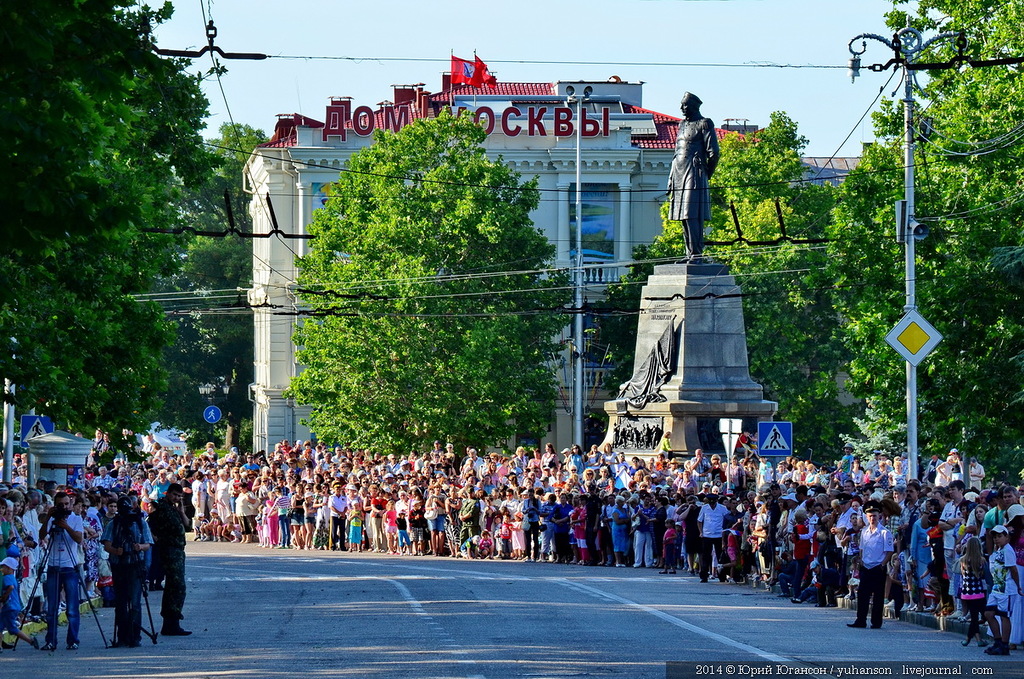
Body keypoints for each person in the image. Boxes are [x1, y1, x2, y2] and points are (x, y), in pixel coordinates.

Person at [667, 92, 719, 259]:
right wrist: (670, 178)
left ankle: (696, 253)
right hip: (678, 172)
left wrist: (705, 174)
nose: (682, 108)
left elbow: (714, 153)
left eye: (685, 105)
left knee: (691, 213)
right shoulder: (681, 124)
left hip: (694, 172)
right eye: (682, 105)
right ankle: (689, 252)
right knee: (682, 215)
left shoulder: (704, 123)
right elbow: (676, 153)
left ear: (695, 106)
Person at [101, 495, 153, 647]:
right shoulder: (114, 523)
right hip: (119, 566)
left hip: (136, 564)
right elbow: (106, 544)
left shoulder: (140, 522)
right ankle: (122, 635)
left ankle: (135, 635)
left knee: (135, 602)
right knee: (121, 602)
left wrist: (140, 547)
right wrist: (116, 551)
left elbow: (148, 543)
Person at [41, 490, 84, 651]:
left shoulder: (76, 518)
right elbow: (42, 534)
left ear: (71, 504)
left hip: (70, 567)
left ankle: (73, 640)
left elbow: (79, 539)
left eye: (67, 504)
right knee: (52, 607)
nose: (64, 507)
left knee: (72, 608)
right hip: (53, 566)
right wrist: (48, 518)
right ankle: (51, 640)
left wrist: (65, 526)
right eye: (61, 505)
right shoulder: (52, 518)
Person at [148, 483, 191, 636]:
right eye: (174, 495)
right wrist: (157, 540)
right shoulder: (160, 507)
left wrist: (181, 511)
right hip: (169, 550)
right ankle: (171, 622)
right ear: (167, 493)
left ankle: (171, 623)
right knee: (176, 586)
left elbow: (187, 525)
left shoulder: (174, 509)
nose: (177, 498)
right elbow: (149, 525)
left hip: (178, 550)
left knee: (176, 587)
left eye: (179, 496)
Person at [847, 501, 894, 629]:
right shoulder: (864, 531)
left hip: (877, 566)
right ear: (866, 517)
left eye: (874, 515)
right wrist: (861, 560)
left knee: (878, 596)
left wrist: (883, 564)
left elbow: (889, 551)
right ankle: (860, 620)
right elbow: (862, 547)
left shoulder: (884, 532)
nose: (872, 518)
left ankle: (876, 621)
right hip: (866, 566)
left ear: (879, 516)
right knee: (862, 595)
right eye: (870, 516)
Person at [984, 524, 1022, 656]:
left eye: (1000, 536)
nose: (997, 539)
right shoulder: (997, 551)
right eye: (995, 537)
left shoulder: (1008, 550)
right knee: (988, 614)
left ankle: (1004, 645)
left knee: (1004, 616)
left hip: (1007, 589)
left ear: (1007, 537)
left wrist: (1018, 586)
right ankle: (998, 641)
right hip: (996, 588)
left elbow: (1013, 569)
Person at [1, 556, 39, 650]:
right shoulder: (13, 578)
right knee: (3, 626)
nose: (1, 569)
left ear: (9, 568)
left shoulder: (7, 578)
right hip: (14, 606)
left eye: (3, 567)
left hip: (9, 606)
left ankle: (30, 640)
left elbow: (10, 588)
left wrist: (4, 597)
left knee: (12, 628)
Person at [697, 493, 729, 583]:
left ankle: (722, 576)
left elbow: (727, 519)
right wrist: (701, 532)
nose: (712, 504)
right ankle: (704, 576)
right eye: (710, 502)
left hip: (719, 534)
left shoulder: (722, 508)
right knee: (705, 556)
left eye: (713, 502)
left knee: (720, 556)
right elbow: (699, 521)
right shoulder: (704, 508)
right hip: (707, 534)